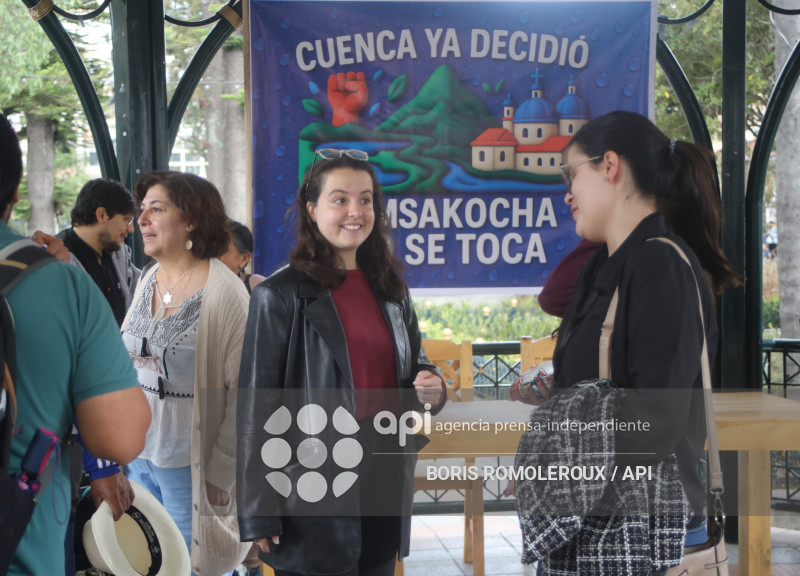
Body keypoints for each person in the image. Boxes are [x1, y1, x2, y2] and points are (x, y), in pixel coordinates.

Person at [524, 111, 739, 575]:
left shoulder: (661, 267)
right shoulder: (609, 265)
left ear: (610, 166)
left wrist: (556, 457)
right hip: (599, 518)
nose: (567, 194)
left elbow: (656, 419)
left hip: (642, 528)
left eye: (571, 173)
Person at [237, 149, 446, 576]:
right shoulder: (278, 295)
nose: (356, 211)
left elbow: (414, 366)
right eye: (340, 199)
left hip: (385, 471)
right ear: (312, 210)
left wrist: (431, 385)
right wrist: (258, 509)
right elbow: (256, 405)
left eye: (366, 199)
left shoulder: (391, 289)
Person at [0, 117, 150, 575]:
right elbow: (119, 436)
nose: (135, 229)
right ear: (14, 187)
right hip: (20, 543)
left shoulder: (107, 262)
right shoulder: (56, 280)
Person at [121, 171, 250, 576]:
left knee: (196, 568)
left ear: (192, 219)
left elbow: (245, 395)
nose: (141, 220)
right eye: (142, 210)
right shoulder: (147, 279)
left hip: (190, 464)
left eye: (156, 209)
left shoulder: (227, 294)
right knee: (152, 563)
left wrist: (221, 473)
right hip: (140, 457)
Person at [56, 178, 140, 325]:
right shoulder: (57, 259)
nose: (131, 229)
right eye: (126, 220)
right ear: (101, 215)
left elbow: (145, 290)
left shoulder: (119, 254)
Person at [219, 220, 266, 294]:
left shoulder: (256, 285)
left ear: (244, 258)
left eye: (222, 250)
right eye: (212, 250)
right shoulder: (200, 286)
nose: (214, 256)